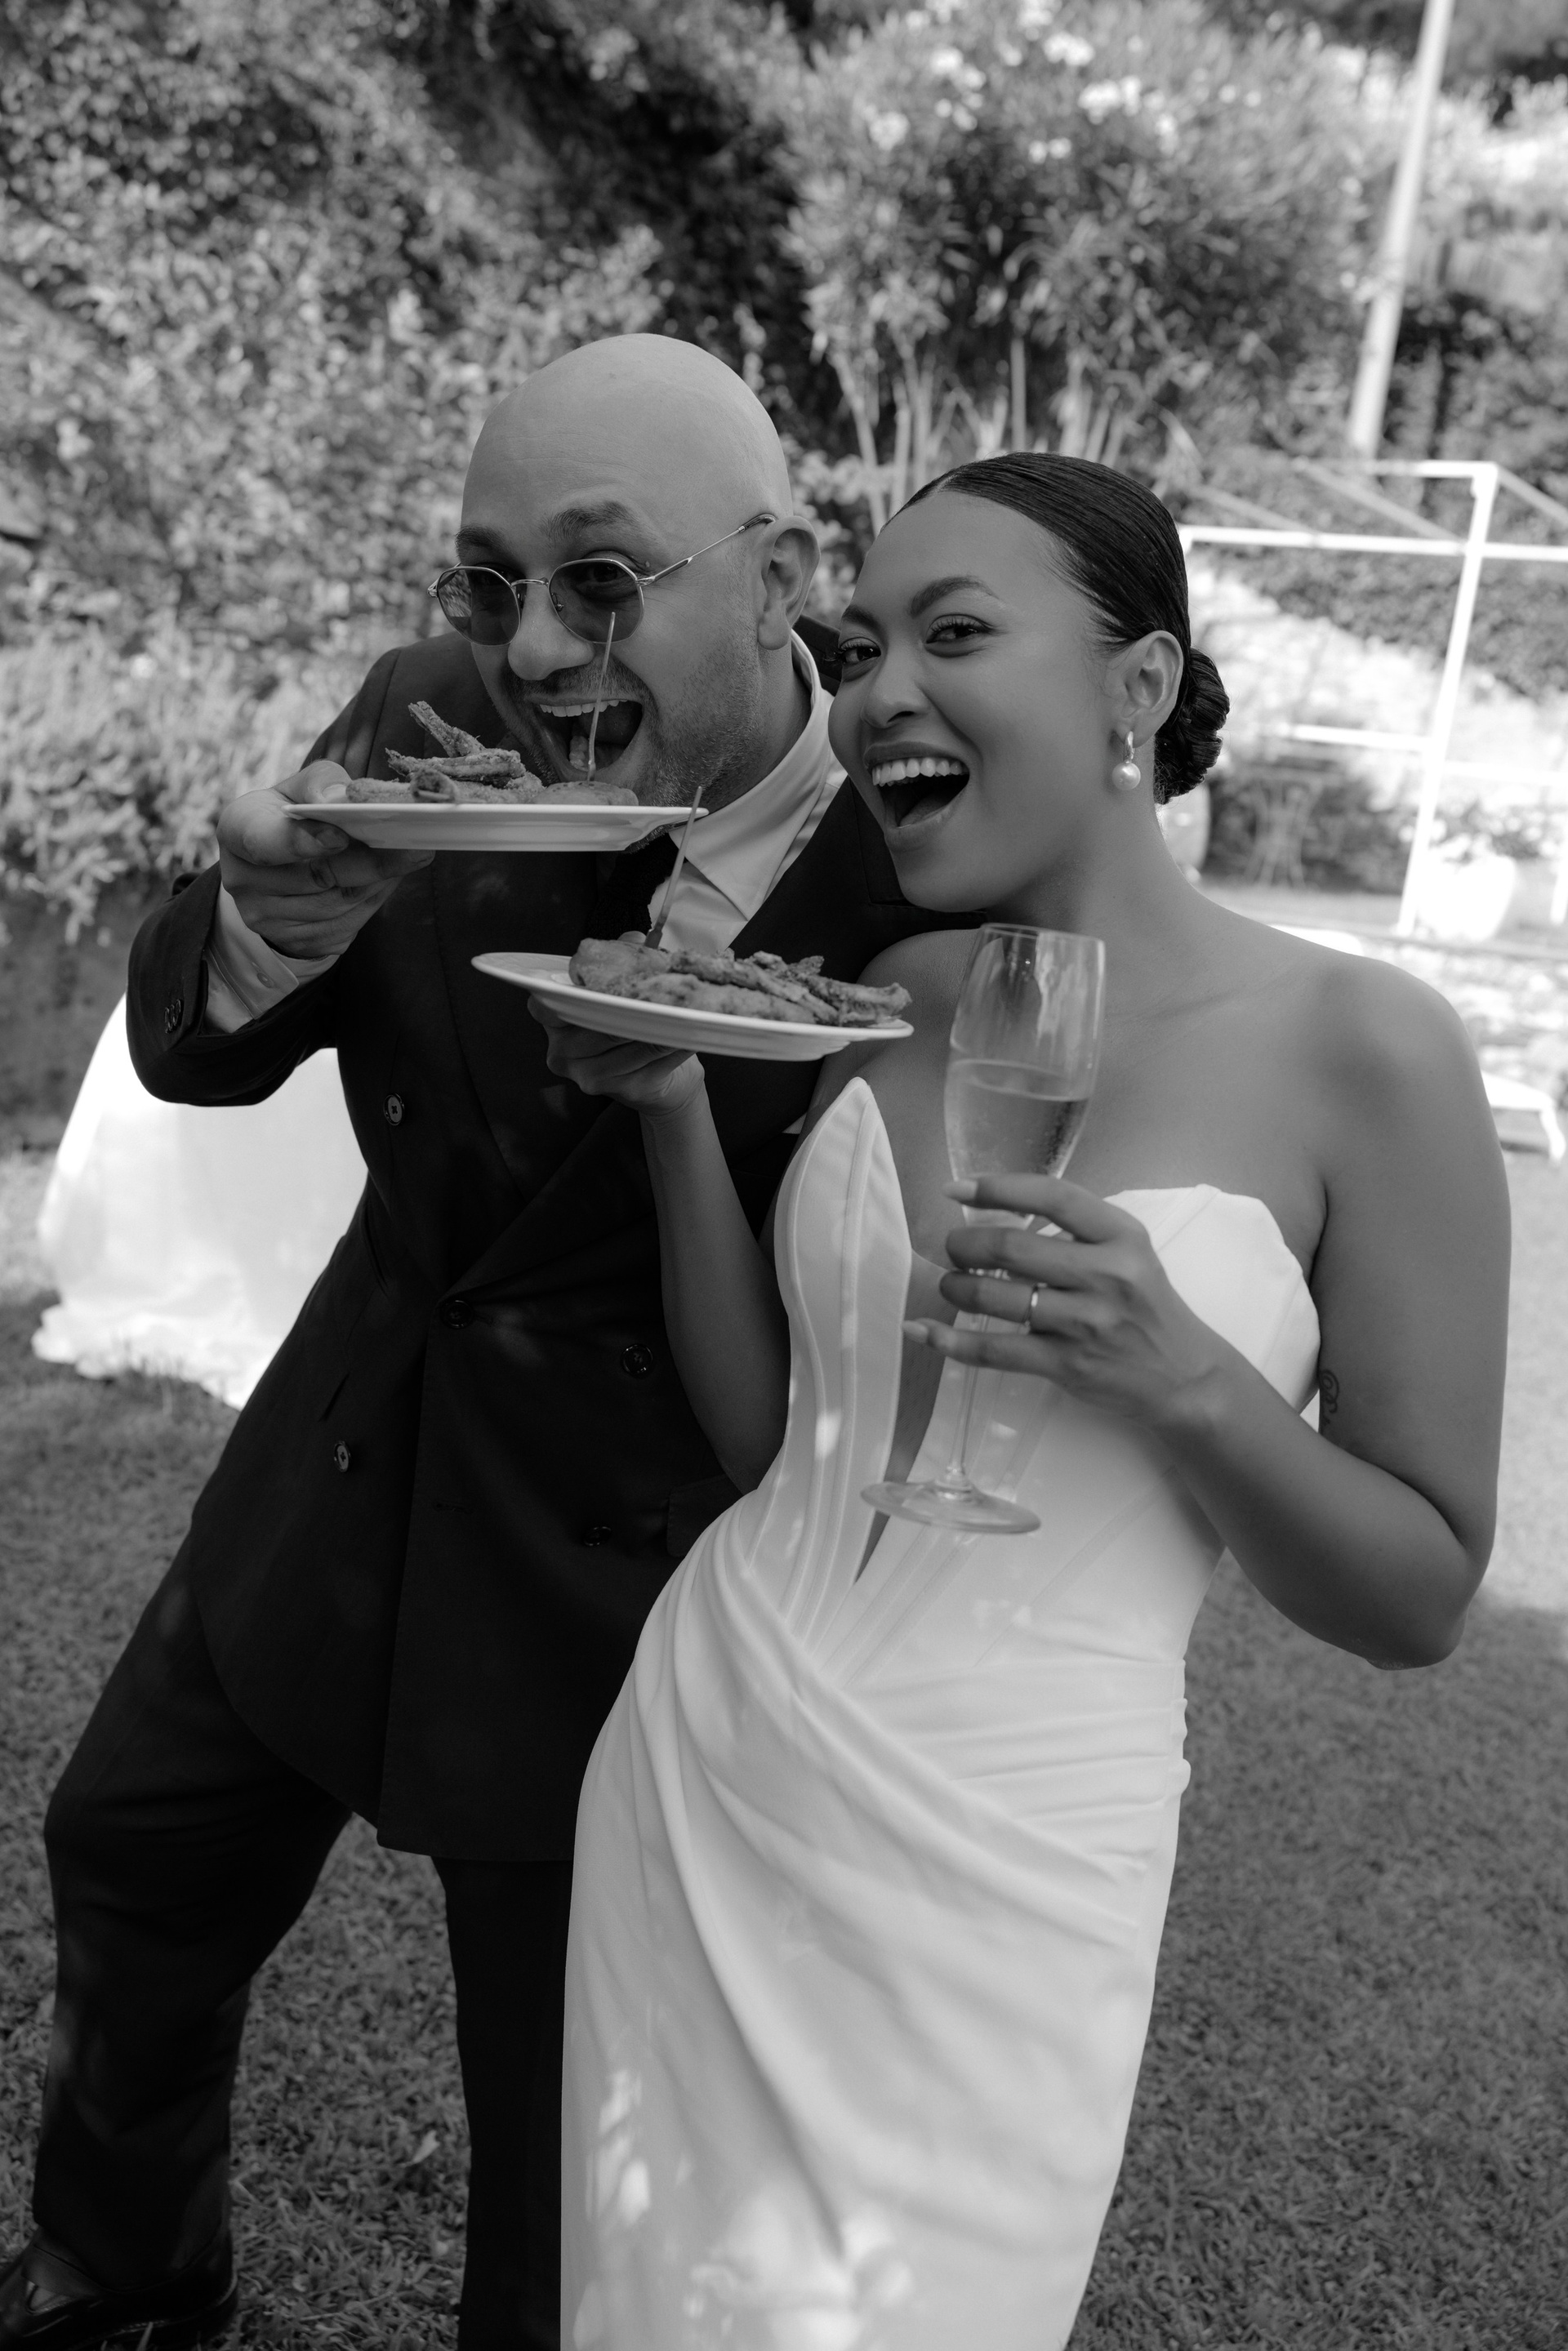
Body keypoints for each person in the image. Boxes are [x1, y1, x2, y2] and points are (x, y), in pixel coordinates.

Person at [0, 337, 956, 2351]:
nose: (527, 647)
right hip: (341, 1464)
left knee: (562, 2110)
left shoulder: (918, 862)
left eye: (599, 581)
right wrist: (264, 927)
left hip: (628, 1585)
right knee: (134, 1855)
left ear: (779, 577)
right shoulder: (426, 725)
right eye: (488, 580)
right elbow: (192, 1048)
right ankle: (122, 2277)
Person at [535, 452, 1510, 2348]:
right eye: (861, 648)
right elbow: (768, 1445)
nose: (879, 691)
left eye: (956, 633)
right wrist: (668, 1116)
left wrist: (1184, 1379)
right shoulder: (895, 992)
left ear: (1140, 685)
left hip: (1008, 1850)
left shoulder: (1363, 1050)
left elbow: (1420, 1596)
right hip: (706, 1753)